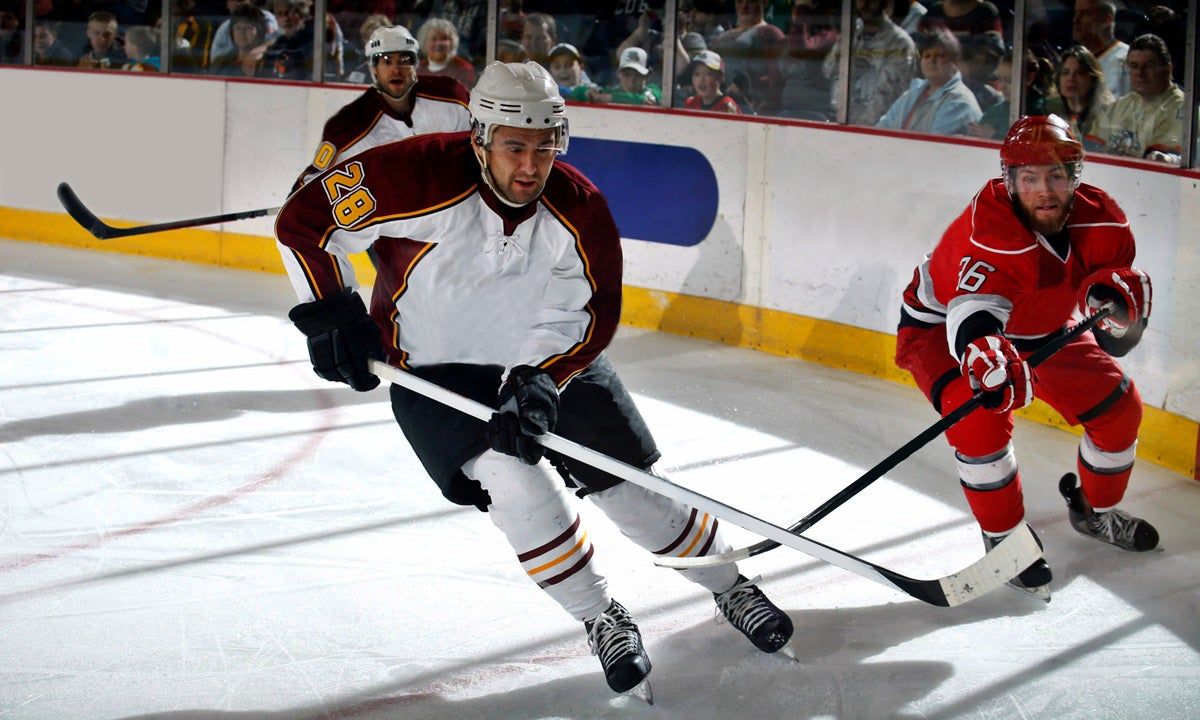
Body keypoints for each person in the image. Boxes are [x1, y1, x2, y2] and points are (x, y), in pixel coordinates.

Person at [273, 60, 795, 700]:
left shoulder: (579, 207)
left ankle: (730, 586)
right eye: (515, 147)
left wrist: (542, 377)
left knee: (632, 493)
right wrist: (334, 314)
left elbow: (590, 310)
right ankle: (600, 617)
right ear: (479, 138)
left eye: (545, 148)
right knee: (519, 487)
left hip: (542, 357)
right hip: (434, 369)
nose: (530, 166)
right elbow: (303, 222)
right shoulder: (409, 174)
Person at [895, 114, 1160, 602]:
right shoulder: (991, 226)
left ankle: (1093, 512)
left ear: (1075, 175)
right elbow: (974, 312)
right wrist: (983, 350)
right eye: (1030, 178)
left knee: (1120, 408)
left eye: (1056, 175)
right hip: (942, 328)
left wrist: (1120, 311)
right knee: (979, 421)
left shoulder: (1102, 219)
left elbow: (1109, 327)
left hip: (1041, 329)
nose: (1044, 191)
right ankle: (1004, 540)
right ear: (1009, 180)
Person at [293, 24, 471, 189]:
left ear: (415, 65)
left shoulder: (452, 96)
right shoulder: (348, 125)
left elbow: (481, 146)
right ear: (374, 68)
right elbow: (309, 184)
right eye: (387, 61)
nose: (396, 69)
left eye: (404, 60)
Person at [1088, 33, 1183, 165]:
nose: (1140, 73)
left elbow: (1157, 161)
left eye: (1148, 66)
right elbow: (1091, 148)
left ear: (1168, 69)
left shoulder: (1182, 108)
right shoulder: (1121, 105)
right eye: (1134, 66)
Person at [823, 0, 916, 126]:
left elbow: (888, 96)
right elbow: (828, 71)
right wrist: (842, 41)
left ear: (885, 3)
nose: (865, 4)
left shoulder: (900, 42)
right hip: (837, 120)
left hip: (875, 128)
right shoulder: (851, 33)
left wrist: (860, 127)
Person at [876, 28, 982, 136]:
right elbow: (881, 129)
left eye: (940, 56)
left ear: (954, 62)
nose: (932, 60)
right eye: (927, 56)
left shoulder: (959, 102)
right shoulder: (911, 93)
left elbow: (935, 144)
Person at [708, 0, 786, 113]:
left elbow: (779, 79)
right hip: (719, 107)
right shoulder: (723, 37)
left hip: (753, 110)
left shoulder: (770, 33)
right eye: (739, 1)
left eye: (750, 1)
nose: (744, 7)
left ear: (764, 2)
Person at [1045, 45, 1115, 145]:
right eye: (1065, 72)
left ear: (1093, 80)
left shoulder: (1107, 116)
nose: (1071, 78)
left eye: (1079, 73)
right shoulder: (1049, 113)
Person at [1072, 0, 1129, 97]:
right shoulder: (1072, 60)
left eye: (1086, 14)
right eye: (1075, 13)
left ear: (1107, 20)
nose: (1076, 20)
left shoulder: (1128, 60)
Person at [571, 47, 662, 107]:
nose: (632, 80)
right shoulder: (610, 91)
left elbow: (641, 99)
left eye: (638, 74)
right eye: (626, 74)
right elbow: (576, 93)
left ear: (647, 75)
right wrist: (588, 93)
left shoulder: (654, 90)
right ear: (618, 73)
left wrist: (602, 98)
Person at [208, 3, 271, 78]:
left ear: (260, 32)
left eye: (248, 28)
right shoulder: (220, 61)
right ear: (232, 32)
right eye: (238, 28)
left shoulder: (267, 63)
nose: (242, 33)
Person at [416, 16, 477, 88]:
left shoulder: (464, 69)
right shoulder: (417, 68)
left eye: (444, 38)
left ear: (453, 41)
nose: (439, 43)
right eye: (434, 39)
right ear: (424, 42)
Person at [683, 49, 742, 113]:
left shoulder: (727, 107)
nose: (701, 79)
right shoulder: (690, 103)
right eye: (697, 74)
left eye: (708, 74)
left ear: (720, 78)